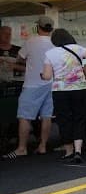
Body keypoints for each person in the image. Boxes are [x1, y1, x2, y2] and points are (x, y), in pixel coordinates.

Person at [41, 29, 86, 164]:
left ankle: (68, 151)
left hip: (60, 91)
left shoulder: (50, 54)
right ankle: (78, 151)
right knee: (79, 118)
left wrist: (42, 75)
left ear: (54, 40)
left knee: (64, 120)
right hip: (80, 89)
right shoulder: (78, 49)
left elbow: (46, 76)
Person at [2, 16, 55, 160]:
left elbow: (19, 58)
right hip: (50, 83)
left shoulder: (31, 42)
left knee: (24, 117)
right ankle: (43, 146)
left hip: (32, 84)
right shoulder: (55, 43)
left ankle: (21, 148)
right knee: (46, 116)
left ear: (38, 27)